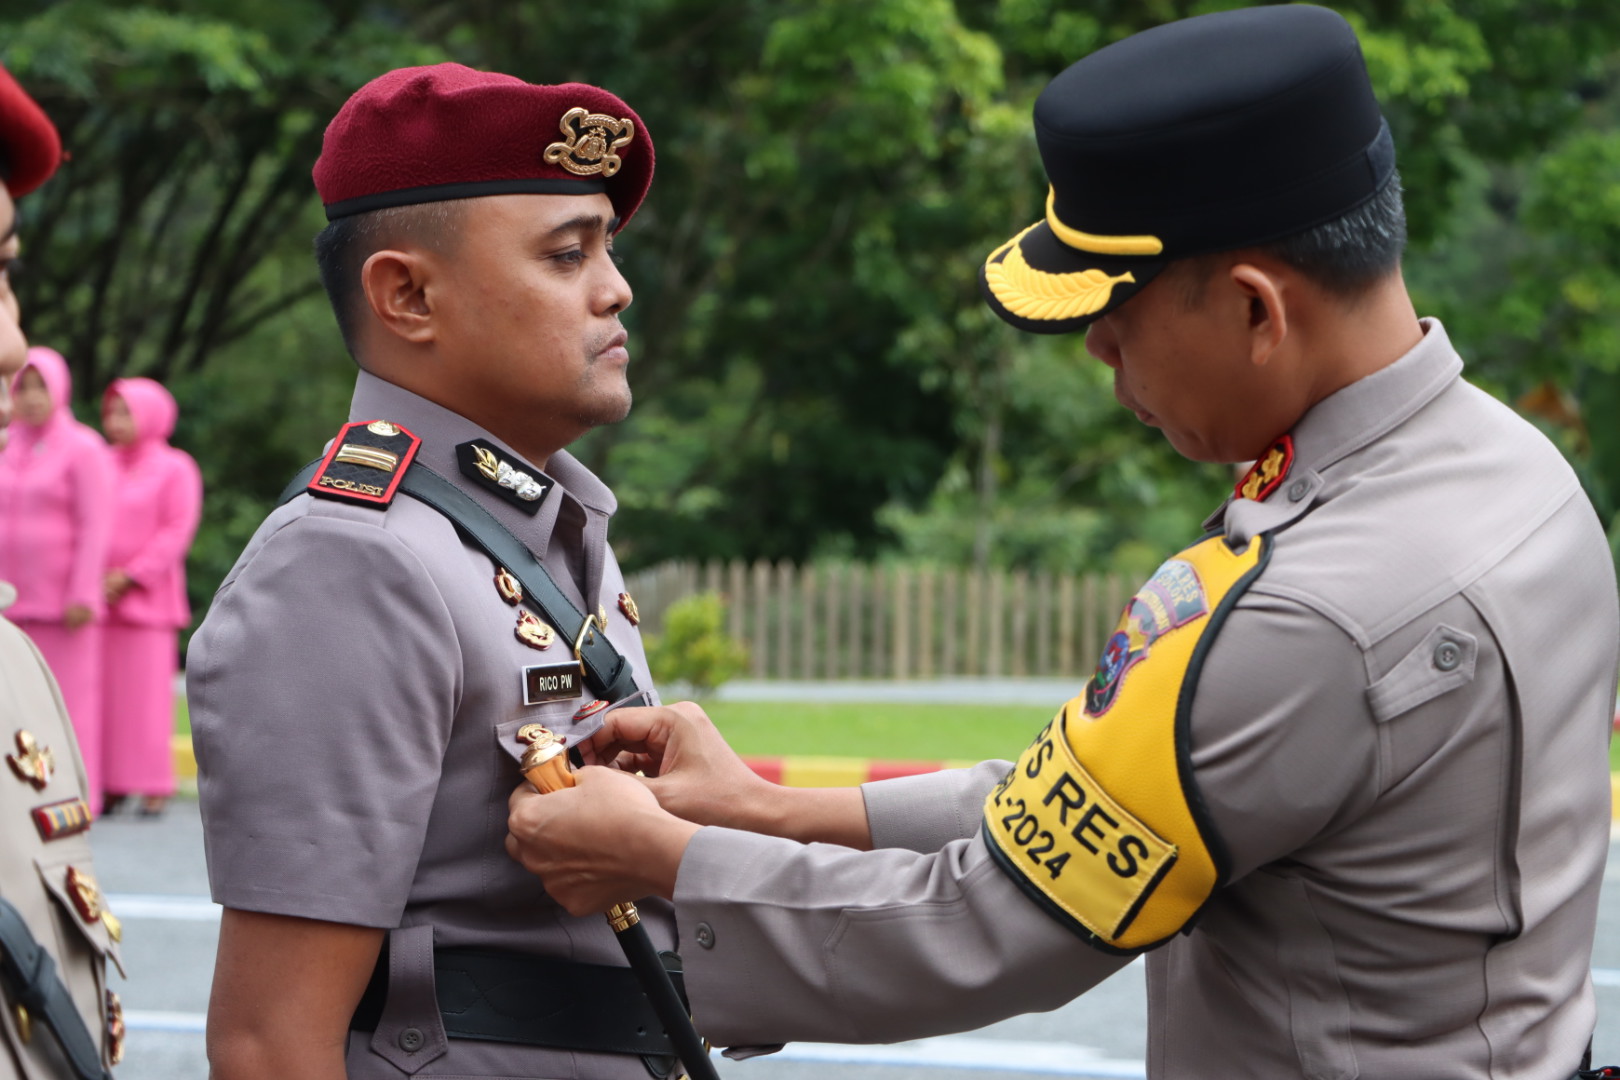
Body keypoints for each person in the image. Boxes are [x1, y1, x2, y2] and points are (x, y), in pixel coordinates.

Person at [505, 6, 1620, 1078]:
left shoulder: (1311, 608)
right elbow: (1128, 800)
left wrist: (667, 860)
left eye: (1117, 315)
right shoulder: (1517, 475)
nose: (1097, 351)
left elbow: (987, 922)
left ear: (1256, 309)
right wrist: (769, 808)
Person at [188, 63, 672, 1080]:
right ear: (406, 295)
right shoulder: (352, 559)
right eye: (567, 253)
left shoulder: (544, 526)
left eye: (608, 248)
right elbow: (271, 1043)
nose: (616, 287)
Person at [0, 60, 123, 1080]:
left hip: (72, 609)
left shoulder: (10, 666)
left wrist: (88, 588)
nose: (14, 349)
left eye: (5, 272)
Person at [0, 345, 114, 816]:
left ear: (60, 389)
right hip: (9, 600)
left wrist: (84, 590)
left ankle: (73, 795)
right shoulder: (5, 444)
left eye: (40, 386)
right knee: (12, 703)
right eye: (22, 386)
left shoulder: (83, 446)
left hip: (64, 603)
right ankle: (18, 799)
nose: (30, 397)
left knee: (67, 702)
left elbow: (96, 523)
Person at [98, 376, 202, 818]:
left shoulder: (175, 467)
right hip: (98, 601)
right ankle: (110, 781)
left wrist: (131, 575)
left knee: (144, 700)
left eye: (126, 412)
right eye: (111, 411)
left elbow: (176, 530)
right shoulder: (99, 461)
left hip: (146, 602)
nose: (115, 421)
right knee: (105, 698)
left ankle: (152, 781)